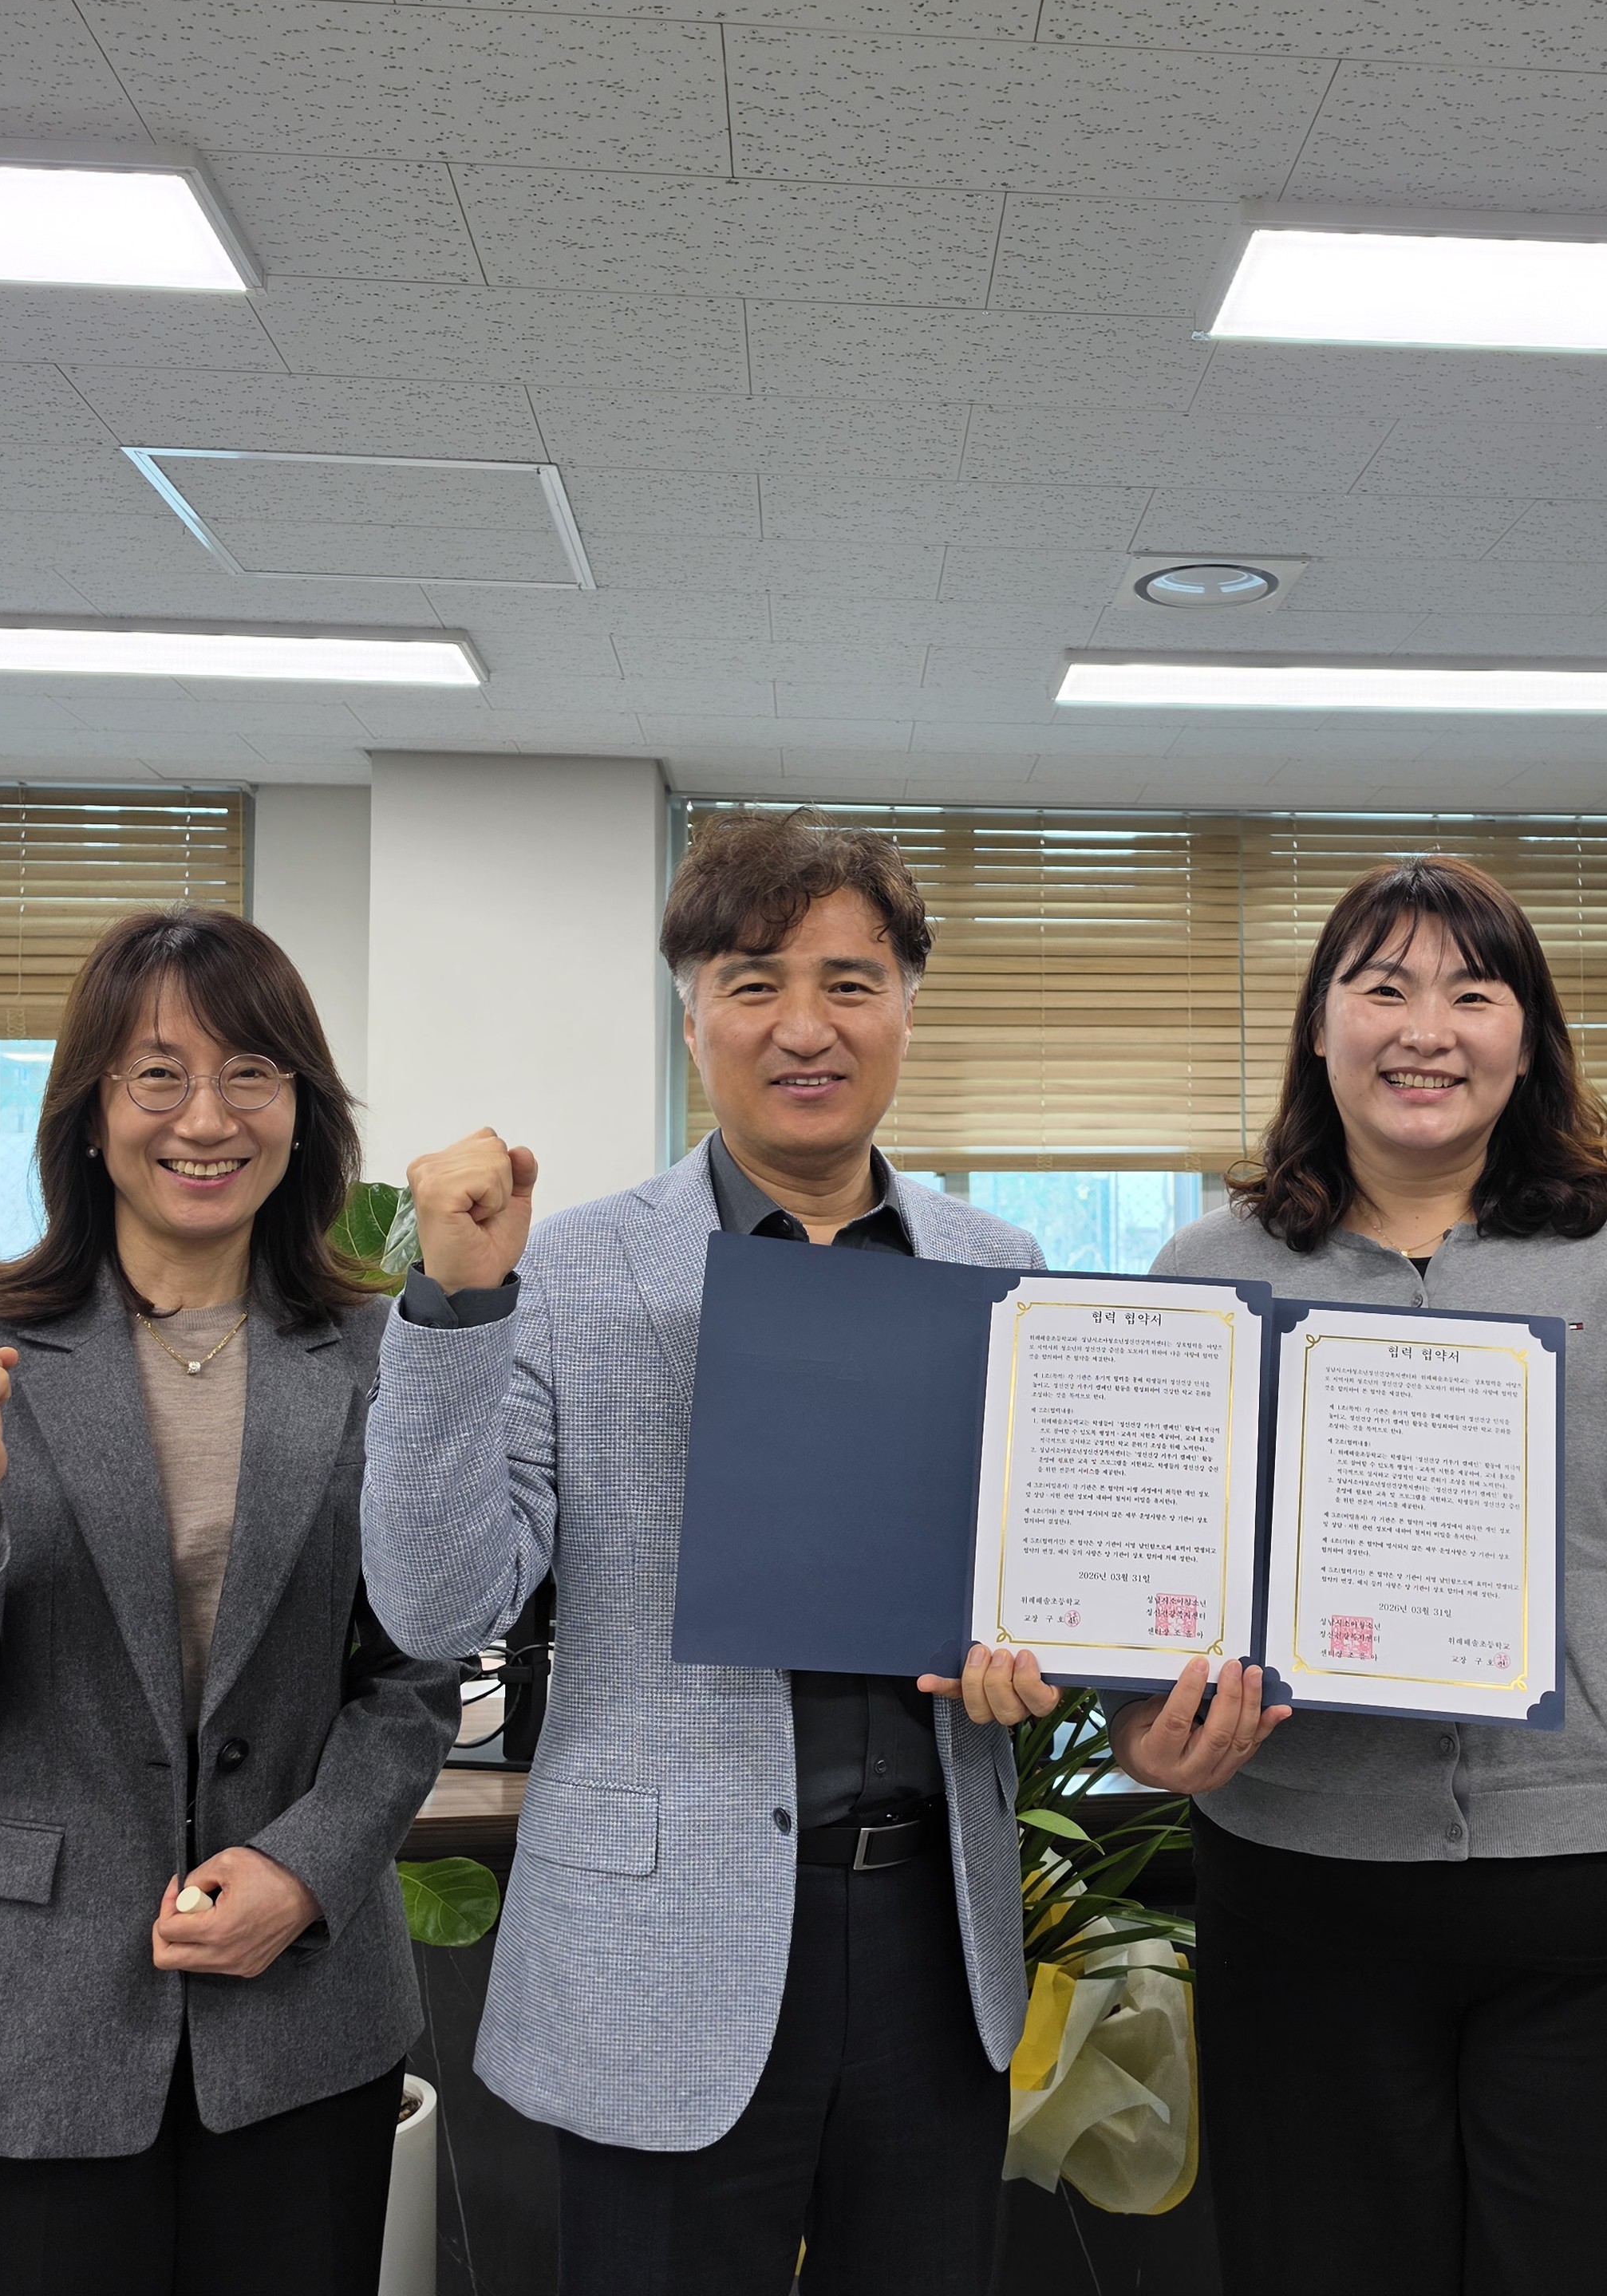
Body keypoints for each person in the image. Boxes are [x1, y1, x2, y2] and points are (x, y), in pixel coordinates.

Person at [360, 809, 1059, 2296]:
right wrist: (454, 1312)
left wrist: (1040, 1662)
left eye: (851, 981)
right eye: (753, 982)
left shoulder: (1005, 1274)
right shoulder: (566, 1272)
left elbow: (1048, 1578)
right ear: (692, 1017)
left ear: (909, 1010)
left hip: (937, 1947)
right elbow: (433, 1602)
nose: (804, 1025)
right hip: (661, 1947)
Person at [1123, 852, 1607, 2296]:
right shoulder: (1205, 1268)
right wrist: (1152, 1733)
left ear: (1532, 1036)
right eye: (1380, 988)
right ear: (1321, 1030)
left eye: (1473, 991)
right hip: (1307, 1888)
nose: (1425, 1029)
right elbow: (1159, 1589)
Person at [0, 908, 459, 2296]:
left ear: (302, 1109)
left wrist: (305, 1870)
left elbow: (412, 1679)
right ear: (90, 1107)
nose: (206, 1117)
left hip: (299, 2023)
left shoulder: (376, 1355)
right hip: (13, 2016)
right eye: (157, 1073)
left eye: (253, 1072)